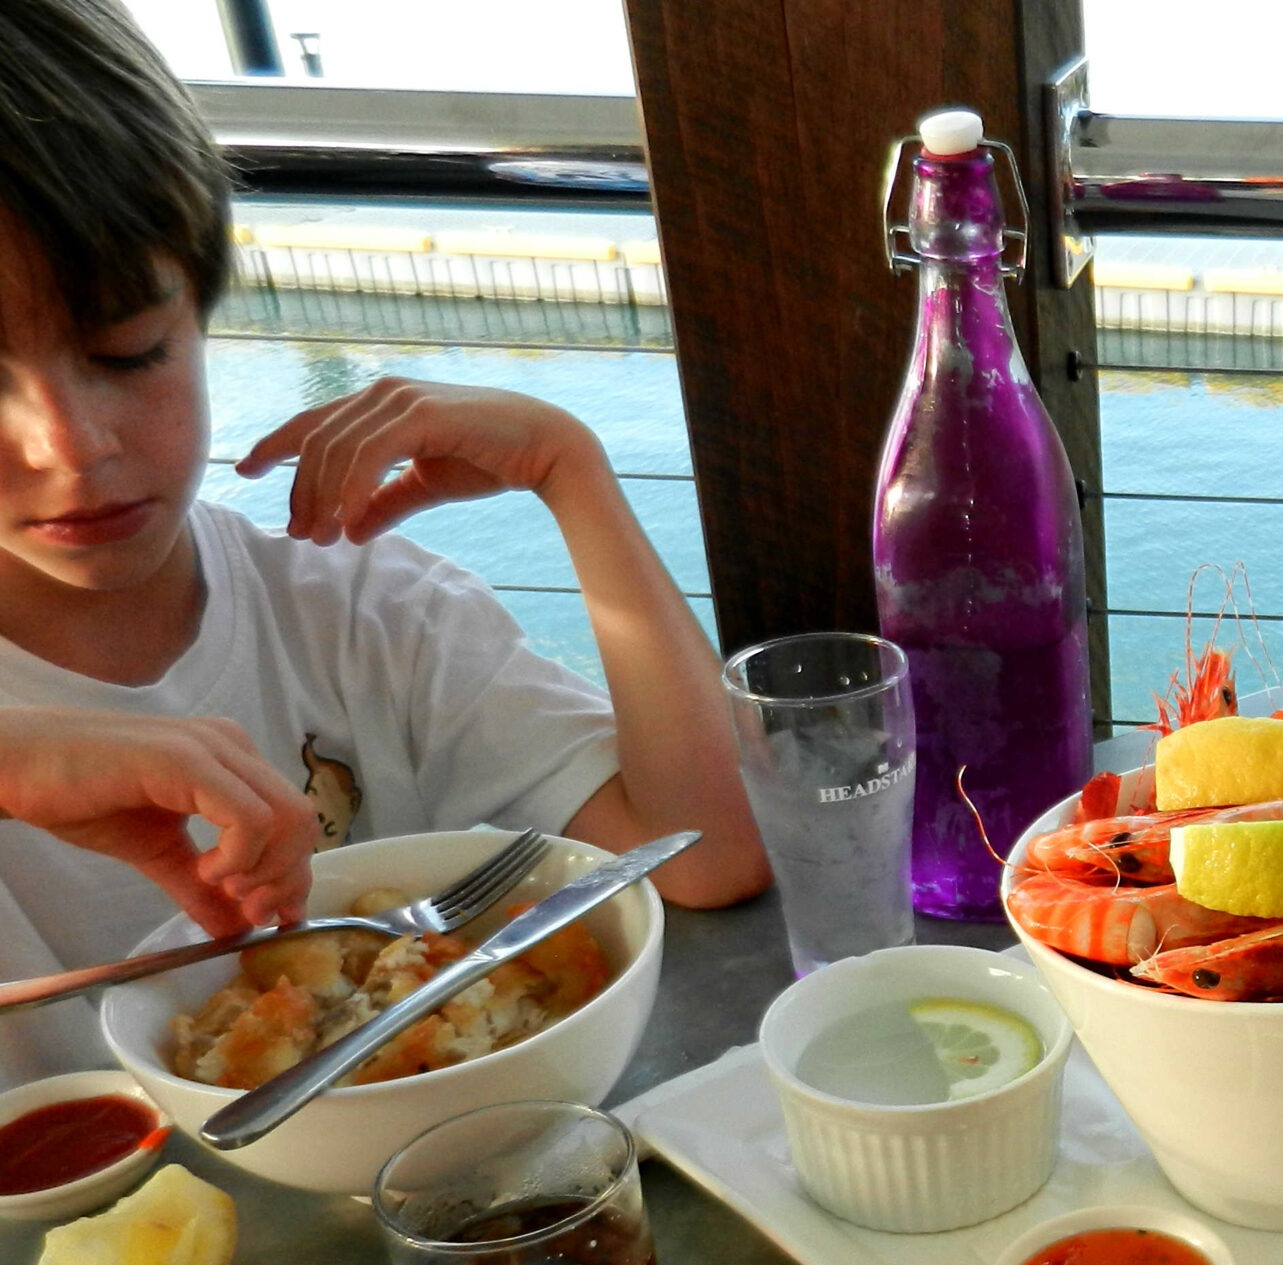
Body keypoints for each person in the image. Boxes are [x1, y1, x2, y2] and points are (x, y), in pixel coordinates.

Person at [0, 0, 767, 1086]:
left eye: (129, 352)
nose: (71, 448)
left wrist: (569, 470)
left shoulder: (362, 613)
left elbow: (707, 851)